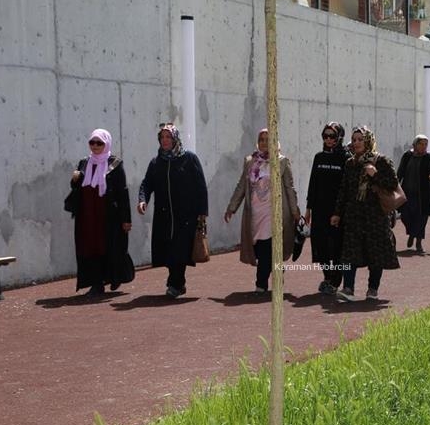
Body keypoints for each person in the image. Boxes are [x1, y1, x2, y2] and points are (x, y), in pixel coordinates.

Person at [225, 129, 300, 293]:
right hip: (254, 213)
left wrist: (295, 211)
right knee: (260, 248)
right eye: (262, 139)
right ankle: (276, 270)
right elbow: (241, 187)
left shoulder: (282, 162)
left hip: (273, 213)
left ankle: (261, 283)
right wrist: (232, 207)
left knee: (267, 246)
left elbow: (289, 188)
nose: (265, 143)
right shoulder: (250, 162)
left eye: (268, 139)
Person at [137, 123, 208, 298]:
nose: (165, 140)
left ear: (175, 138)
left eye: (168, 137)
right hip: (164, 215)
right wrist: (142, 200)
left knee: (180, 250)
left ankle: (175, 284)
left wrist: (202, 211)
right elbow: (147, 184)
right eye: (162, 137)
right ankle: (177, 282)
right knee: (167, 251)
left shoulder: (189, 159)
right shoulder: (156, 162)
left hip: (185, 216)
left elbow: (201, 186)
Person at [330, 126, 399, 301]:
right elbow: (343, 190)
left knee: (376, 253)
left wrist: (375, 175)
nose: (356, 143)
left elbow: (392, 184)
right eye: (354, 140)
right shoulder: (350, 163)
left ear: (368, 140)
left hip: (375, 216)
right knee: (349, 253)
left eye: (360, 139)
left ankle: (372, 289)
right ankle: (348, 289)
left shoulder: (380, 161)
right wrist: (337, 213)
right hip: (354, 215)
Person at [70, 128, 133, 296]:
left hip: (108, 216)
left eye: (99, 143)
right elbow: (78, 188)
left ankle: (114, 277)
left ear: (106, 144)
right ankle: (96, 283)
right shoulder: (84, 163)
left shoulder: (115, 164)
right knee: (90, 248)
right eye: (92, 142)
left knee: (109, 247)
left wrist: (126, 219)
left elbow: (122, 192)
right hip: (87, 215)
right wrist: (74, 179)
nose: (95, 146)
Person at [304, 122, 349, 295]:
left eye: (332, 136)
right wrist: (308, 209)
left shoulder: (345, 158)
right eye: (325, 136)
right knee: (320, 245)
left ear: (339, 137)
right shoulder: (319, 157)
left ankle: (336, 281)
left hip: (337, 212)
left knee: (336, 247)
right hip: (319, 210)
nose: (328, 139)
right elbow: (313, 184)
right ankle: (328, 276)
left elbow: (345, 188)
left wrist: (339, 212)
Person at [397, 134, 430, 253]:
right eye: (421, 144)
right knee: (405, 215)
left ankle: (418, 241)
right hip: (407, 192)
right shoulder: (407, 155)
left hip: (422, 194)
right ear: (415, 144)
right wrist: (395, 184)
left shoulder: (428, 158)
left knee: (421, 218)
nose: (423, 147)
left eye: (425, 144)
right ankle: (412, 233)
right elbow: (400, 171)